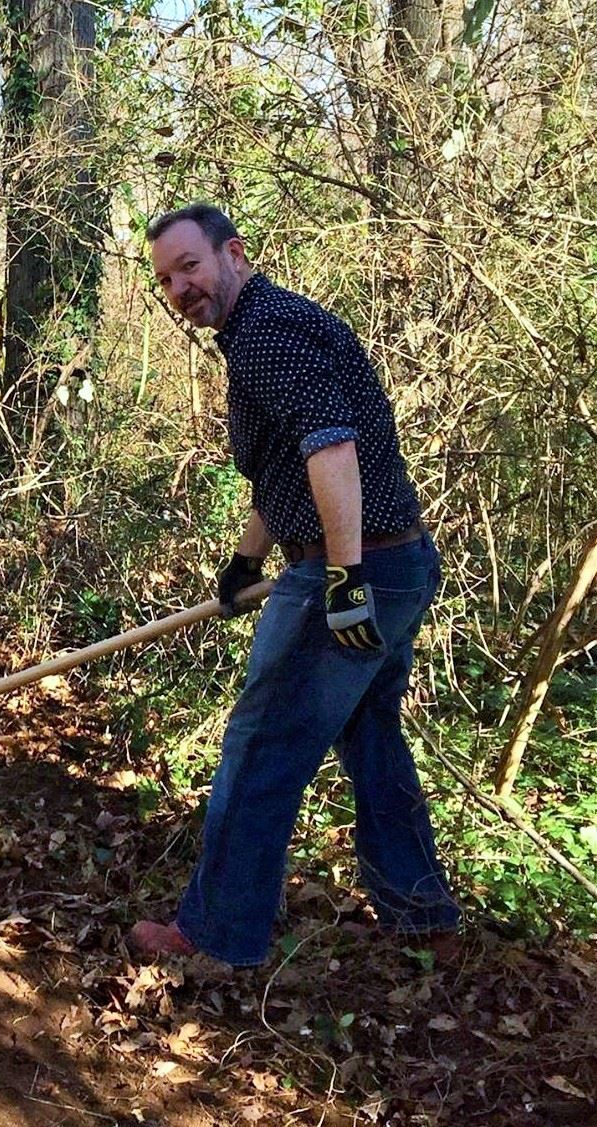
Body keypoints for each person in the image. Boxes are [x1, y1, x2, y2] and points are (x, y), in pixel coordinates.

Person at [131, 203, 460, 966]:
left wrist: (342, 579)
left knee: (260, 745)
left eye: (189, 265)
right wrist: (248, 559)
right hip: (397, 561)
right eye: (164, 279)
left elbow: (331, 449)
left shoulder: (266, 334)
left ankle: (213, 934)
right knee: (369, 735)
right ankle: (423, 919)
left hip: (354, 568)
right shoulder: (265, 328)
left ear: (232, 253)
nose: (179, 287)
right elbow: (286, 470)